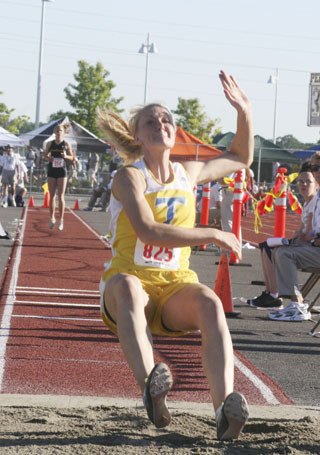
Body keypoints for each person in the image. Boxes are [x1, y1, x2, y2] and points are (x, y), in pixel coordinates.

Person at [98, 70, 253, 441]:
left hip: (173, 289)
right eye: (150, 121)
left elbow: (240, 157)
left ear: (174, 131)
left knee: (211, 303)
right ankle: (153, 388)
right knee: (129, 287)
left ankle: (222, 411)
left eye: (166, 119)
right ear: (137, 136)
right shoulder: (129, 177)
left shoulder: (189, 173)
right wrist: (213, 233)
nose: (160, 124)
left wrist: (244, 112)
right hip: (127, 285)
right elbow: (150, 232)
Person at [247, 162, 319, 321]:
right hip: (312, 247)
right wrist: (297, 238)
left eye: (308, 181)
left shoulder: (316, 201)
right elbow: (303, 231)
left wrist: (305, 239)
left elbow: (310, 234)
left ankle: (293, 303)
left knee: (284, 253)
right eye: (300, 181)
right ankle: (275, 294)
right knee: (269, 246)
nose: (303, 184)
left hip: (315, 249)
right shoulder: (309, 203)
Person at [43, 123, 74, 230]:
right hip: (52, 171)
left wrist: (66, 156)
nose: (59, 133)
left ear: (63, 133)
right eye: (57, 131)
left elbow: (72, 158)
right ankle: (52, 218)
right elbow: (45, 155)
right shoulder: (50, 144)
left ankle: (61, 220)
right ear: (54, 132)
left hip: (62, 171)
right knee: (52, 196)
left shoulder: (66, 144)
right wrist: (49, 158)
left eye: (60, 131)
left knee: (61, 196)